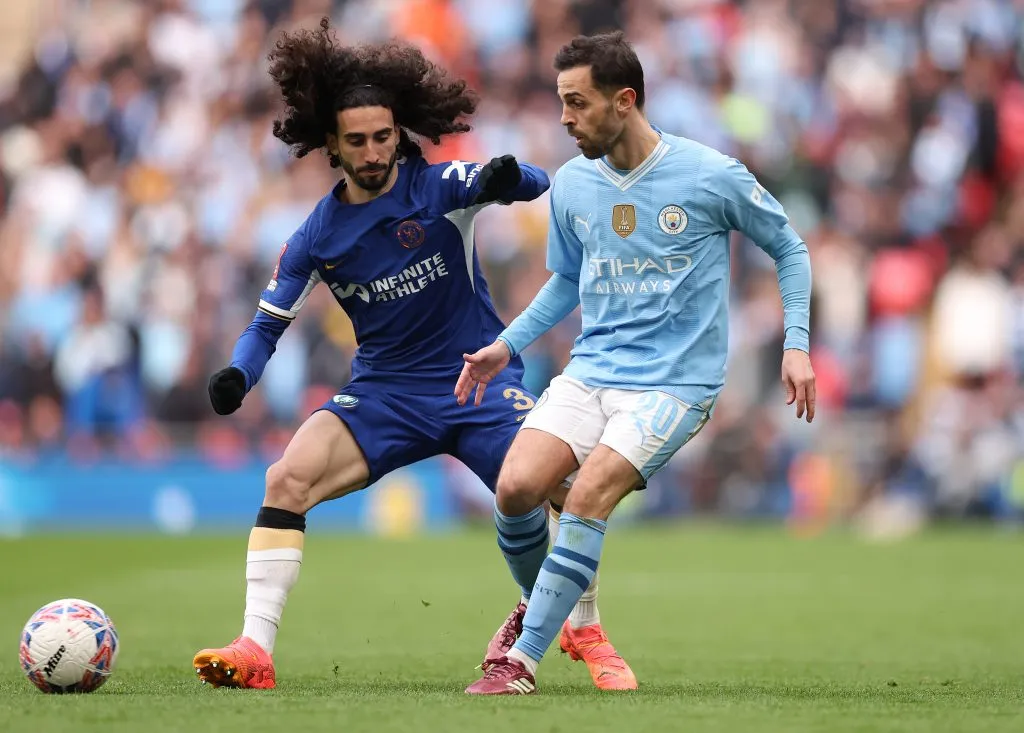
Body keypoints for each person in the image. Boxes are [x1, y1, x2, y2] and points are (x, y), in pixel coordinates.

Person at [191, 19, 633, 690]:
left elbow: (536, 182)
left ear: (399, 133)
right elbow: (266, 325)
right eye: (357, 141)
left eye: (383, 136)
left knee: (562, 486)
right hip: (386, 395)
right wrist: (239, 374)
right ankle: (255, 648)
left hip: (477, 382)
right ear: (330, 145)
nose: (373, 152)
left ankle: (583, 625)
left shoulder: (439, 186)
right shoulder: (317, 236)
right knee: (286, 479)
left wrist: (504, 177)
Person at [456, 31, 816, 695]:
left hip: (676, 383)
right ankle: (574, 621)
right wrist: (507, 344)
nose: (564, 118)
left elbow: (789, 248)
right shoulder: (572, 184)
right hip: (592, 370)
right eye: (561, 102)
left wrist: (796, 343)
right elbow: (567, 281)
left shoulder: (709, 174)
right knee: (515, 489)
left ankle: (519, 662)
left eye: (577, 102)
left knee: (588, 494)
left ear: (624, 101)